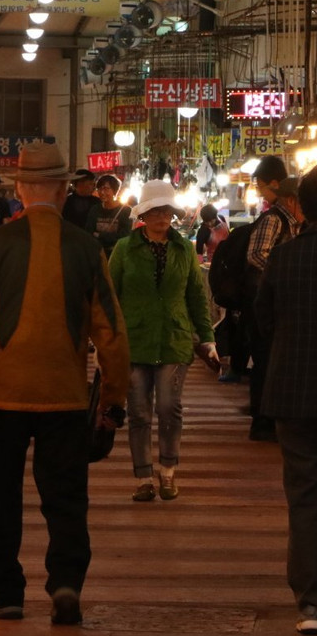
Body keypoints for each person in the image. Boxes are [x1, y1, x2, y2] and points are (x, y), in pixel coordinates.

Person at [0, 140, 130, 626]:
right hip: (65, 396)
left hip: (2, 395)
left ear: (21, 189)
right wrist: (113, 397)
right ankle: (66, 583)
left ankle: (7, 592)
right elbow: (110, 330)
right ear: (65, 190)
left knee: (1, 495)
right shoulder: (87, 248)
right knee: (66, 496)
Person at [108, 179, 218, 502]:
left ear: (172, 214)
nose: (161, 218)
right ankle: (143, 477)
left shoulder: (184, 249)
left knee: (169, 407)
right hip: (134, 339)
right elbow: (109, 296)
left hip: (174, 338)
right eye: (154, 211)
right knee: (139, 412)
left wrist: (208, 337)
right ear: (143, 214)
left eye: (166, 211)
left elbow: (197, 297)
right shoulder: (125, 249)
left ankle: (168, 472)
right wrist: (104, 338)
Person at [254, 165, 317, 635]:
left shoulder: (285, 257)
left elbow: (264, 322)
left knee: (304, 495)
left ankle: (310, 602)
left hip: (293, 393)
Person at [244, 158, 303, 441]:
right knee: (266, 361)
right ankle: (262, 420)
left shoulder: (292, 224)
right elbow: (255, 254)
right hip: (265, 303)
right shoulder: (273, 219)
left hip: (280, 304)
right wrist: (282, 270)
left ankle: (270, 417)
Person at [85, 174, 132, 255]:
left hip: (118, 254)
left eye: (106, 189)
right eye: (99, 189)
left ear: (115, 190)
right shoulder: (95, 209)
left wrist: (99, 235)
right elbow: (89, 233)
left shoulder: (126, 211)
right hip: (98, 253)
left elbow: (124, 235)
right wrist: (111, 236)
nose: (102, 192)